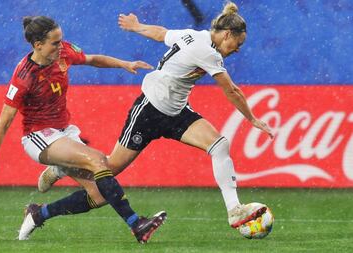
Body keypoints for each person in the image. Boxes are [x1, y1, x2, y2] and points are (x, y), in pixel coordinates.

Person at [38, 1, 273, 232]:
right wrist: (252, 119)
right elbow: (231, 90)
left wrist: (137, 26)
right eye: (237, 43)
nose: (238, 48)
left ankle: (234, 210)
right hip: (149, 110)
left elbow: (162, 34)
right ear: (227, 34)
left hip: (176, 111)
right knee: (109, 168)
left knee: (219, 145)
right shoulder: (207, 52)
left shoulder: (194, 35)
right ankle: (62, 168)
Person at [0, 15, 167, 243]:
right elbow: (3, 124)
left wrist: (123, 63)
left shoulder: (62, 52)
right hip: (39, 137)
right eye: (54, 42)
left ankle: (39, 213)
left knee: (99, 194)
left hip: (65, 131)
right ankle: (136, 224)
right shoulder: (24, 76)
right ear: (38, 45)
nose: (60, 46)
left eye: (60, 40)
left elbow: (92, 59)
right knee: (97, 160)